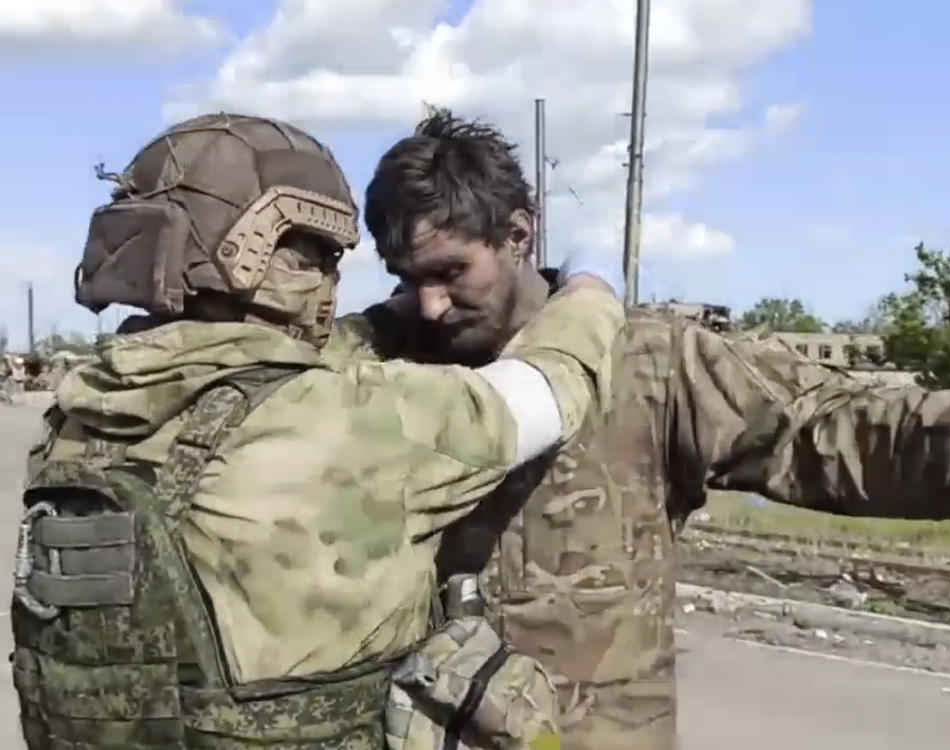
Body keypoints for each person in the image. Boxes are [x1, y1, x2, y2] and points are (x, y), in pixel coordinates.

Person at [335, 107, 950, 750]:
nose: (430, 304)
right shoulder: (382, 367)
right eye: (407, 280)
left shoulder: (651, 362)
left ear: (518, 235)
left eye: (450, 273)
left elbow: (840, 431)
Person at [10, 113, 625, 750]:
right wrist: (591, 287)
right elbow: (551, 384)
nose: (331, 278)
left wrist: (387, 319)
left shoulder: (80, 420)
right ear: (263, 258)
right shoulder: (352, 423)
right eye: (322, 257)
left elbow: (258, 367)